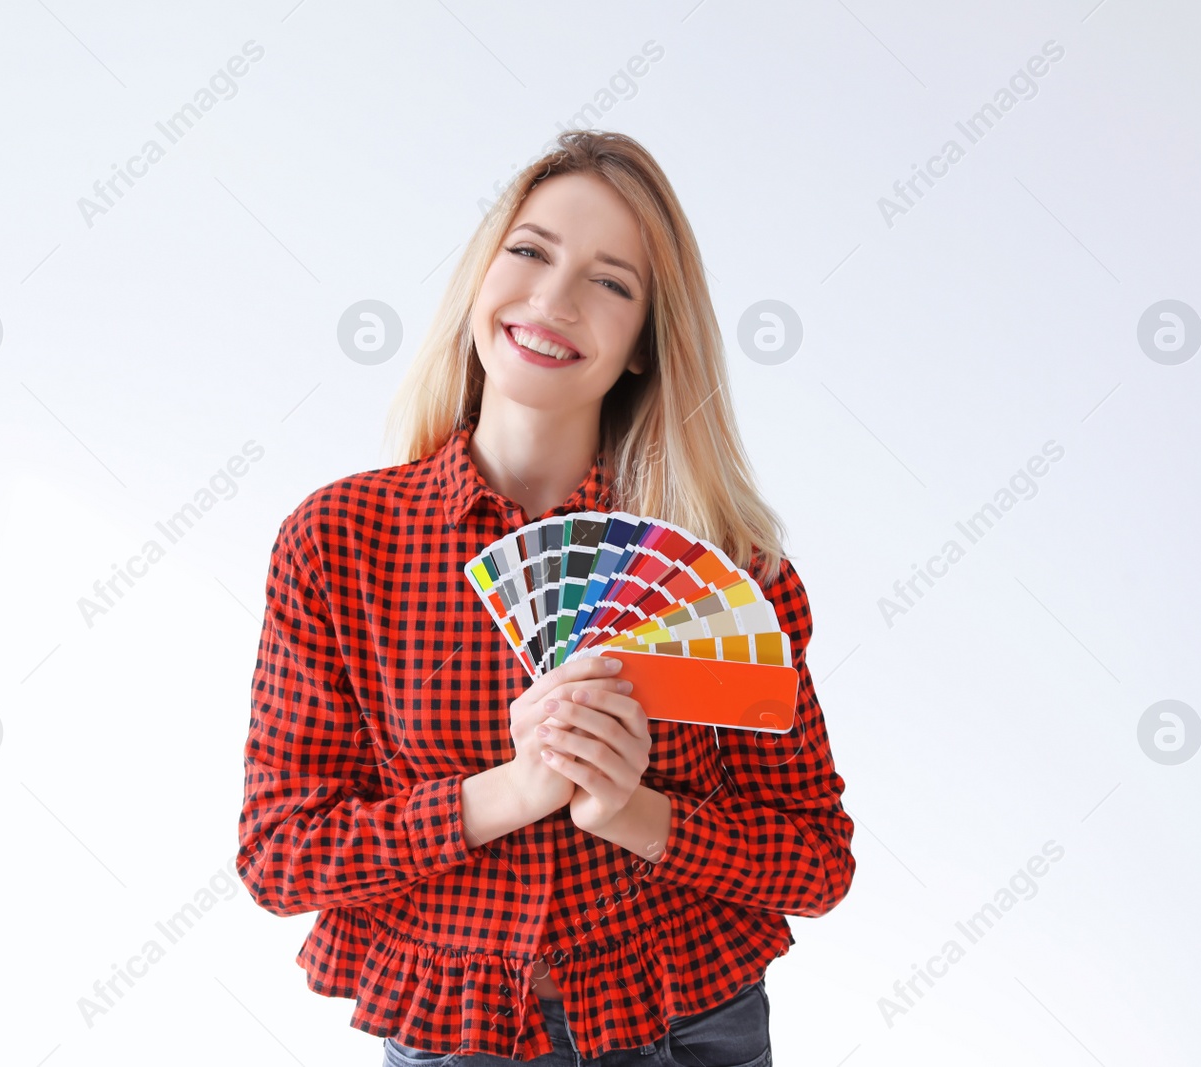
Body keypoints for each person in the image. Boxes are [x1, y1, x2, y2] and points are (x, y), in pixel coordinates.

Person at [236, 129, 856, 1066]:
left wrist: (632, 810)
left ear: (647, 344)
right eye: (529, 251)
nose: (553, 300)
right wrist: (510, 792)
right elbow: (283, 855)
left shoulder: (727, 565)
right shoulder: (340, 542)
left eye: (612, 282)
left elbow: (815, 861)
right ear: (481, 279)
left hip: (689, 1023)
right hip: (459, 1033)